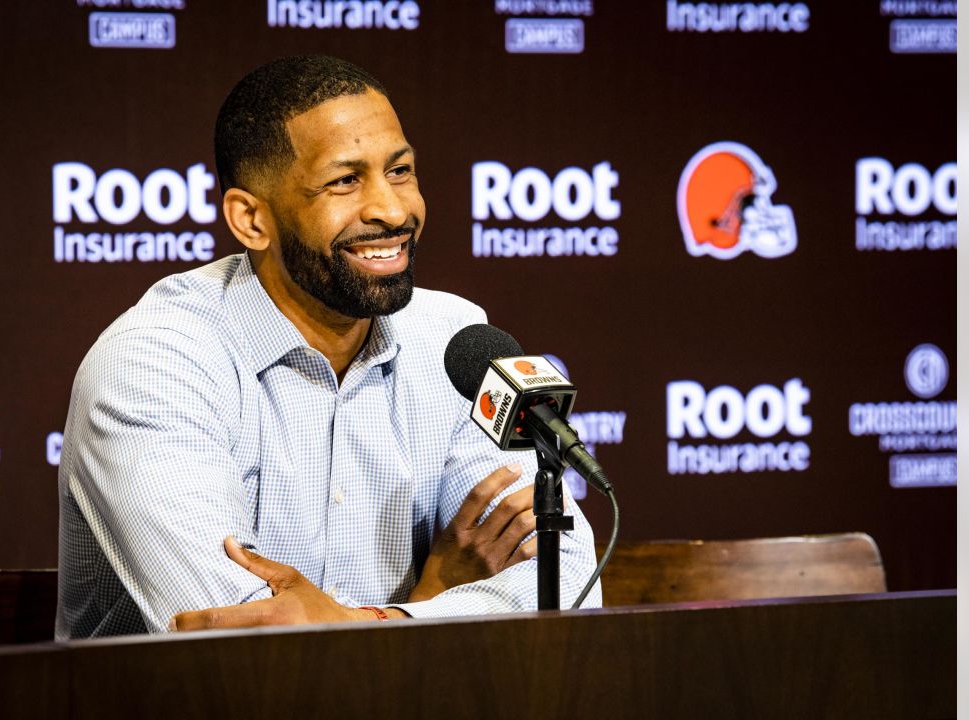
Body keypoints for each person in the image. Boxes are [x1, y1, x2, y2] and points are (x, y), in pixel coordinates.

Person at [55, 55, 600, 639]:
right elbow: (240, 639)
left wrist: (383, 619)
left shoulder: (455, 338)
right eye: (344, 181)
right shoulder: (153, 365)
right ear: (250, 220)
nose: (392, 211)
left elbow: (566, 581)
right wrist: (433, 606)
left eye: (400, 171)